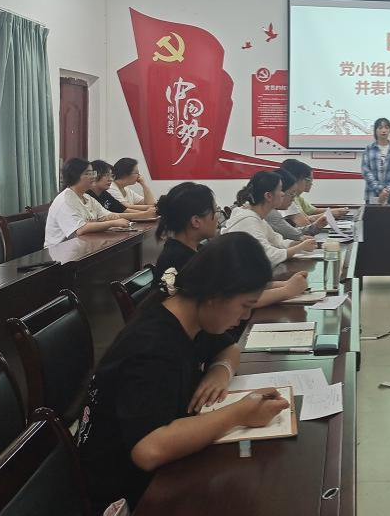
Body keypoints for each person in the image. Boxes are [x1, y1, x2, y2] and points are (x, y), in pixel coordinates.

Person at [77, 233, 291, 512]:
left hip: (161, 471)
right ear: (215, 295)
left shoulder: (188, 311)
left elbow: (229, 349)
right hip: (125, 493)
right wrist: (239, 414)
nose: (245, 317)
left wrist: (220, 371)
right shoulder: (154, 346)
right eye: (245, 305)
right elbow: (148, 449)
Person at [221, 171, 314, 305]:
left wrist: (298, 243)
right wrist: (300, 247)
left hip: (249, 284)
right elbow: (268, 256)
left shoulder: (257, 217)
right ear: (268, 196)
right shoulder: (248, 219)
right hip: (235, 293)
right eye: (280, 190)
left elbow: (278, 242)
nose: (283, 194)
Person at [45, 158, 131, 246]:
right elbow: (80, 229)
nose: (93, 177)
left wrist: (122, 219)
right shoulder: (65, 200)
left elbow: (106, 216)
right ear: (75, 176)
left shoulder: (87, 197)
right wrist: (112, 223)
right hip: (60, 250)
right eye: (88, 173)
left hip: (83, 246)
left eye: (93, 173)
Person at [152, 182, 220, 286]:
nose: (217, 217)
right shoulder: (181, 263)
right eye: (215, 211)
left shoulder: (191, 251)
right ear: (196, 221)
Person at [280, 159, 348, 226]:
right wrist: (329, 214)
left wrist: (336, 211)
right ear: (295, 179)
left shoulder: (297, 198)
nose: (311, 183)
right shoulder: (287, 200)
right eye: (308, 180)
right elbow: (305, 223)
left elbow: (313, 211)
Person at [88, 160, 157, 222]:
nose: (110, 179)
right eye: (106, 175)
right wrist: (144, 214)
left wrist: (147, 212)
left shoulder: (104, 193)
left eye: (111, 176)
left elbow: (123, 209)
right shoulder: (90, 194)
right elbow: (107, 215)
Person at [361, 117, 390, 204]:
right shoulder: (369, 149)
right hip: (372, 194)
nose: (383, 130)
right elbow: (366, 171)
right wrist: (380, 189)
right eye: (380, 128)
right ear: (375, 131)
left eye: (386, 128)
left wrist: (387, 190)